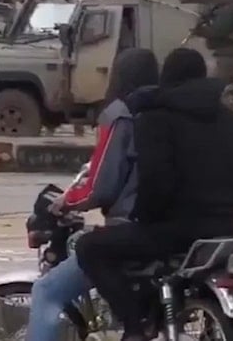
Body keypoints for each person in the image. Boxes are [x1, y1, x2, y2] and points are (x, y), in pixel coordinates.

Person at [74, 48, 233, 341]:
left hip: (172, 232)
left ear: (168, 77)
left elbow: (155, 181)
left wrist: (145, 217)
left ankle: (135, 328)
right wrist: (220, 203)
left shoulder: (155, 119)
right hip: (223, 234)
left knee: (90, 247)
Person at [26, 48, 160, 341]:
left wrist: (69, 201)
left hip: (130, 225)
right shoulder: (166, 112)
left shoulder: (119, 114)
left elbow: (102, 183)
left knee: (46, 290)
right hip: (171, 225)